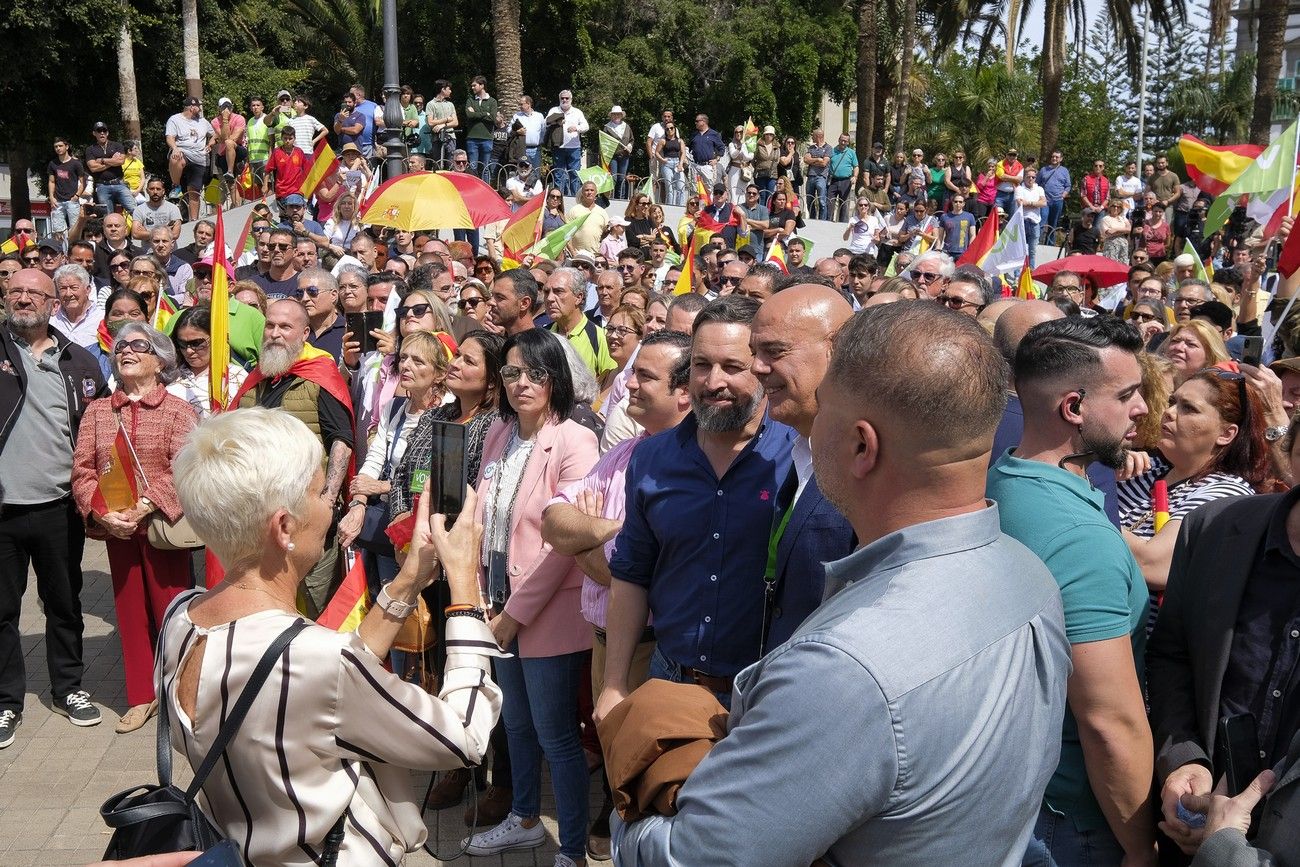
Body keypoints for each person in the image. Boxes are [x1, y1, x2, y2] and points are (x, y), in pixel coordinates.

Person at [607, 301, 1071, 865]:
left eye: (823, 410)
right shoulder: (1032, 580)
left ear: (861, 446)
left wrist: (629, 818)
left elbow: (699, 857)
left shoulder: (837, 669)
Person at [157, 406, 501, 866]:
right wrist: (464, 588)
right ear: (284, 527)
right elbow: (463, 738)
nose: (334, 502)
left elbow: (322, 691)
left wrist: (407, 582)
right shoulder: (315, 659)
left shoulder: (180, 618)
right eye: (322, 491)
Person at [987, 316, 1157, 865]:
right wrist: (1139, 847)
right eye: (1128, 395)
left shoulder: (993, 485)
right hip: (1071, 823)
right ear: (1075, 408)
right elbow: (1109, 720)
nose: (1144, 410)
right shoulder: (1081, 540)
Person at [597, 295, 797, 719]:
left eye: (733, 367)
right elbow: (632, 572)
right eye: (702, 365)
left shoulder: (797, 456)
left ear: (761, 367)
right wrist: (614, 684)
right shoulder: (653, 459)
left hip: (768, 697)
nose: (713, 381)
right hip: (670, 682)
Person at [540, 329, 693, 858]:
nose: (626, 382)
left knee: (647, 769)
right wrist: (606, 533)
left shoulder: (694, 465)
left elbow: (632, 577)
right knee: (613, 752)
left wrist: (592, 545)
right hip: (604, 635)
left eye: (643, 375)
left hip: (651, 644)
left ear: (685, 393)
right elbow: (555, 520)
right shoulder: (625, 451)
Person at [462, 330, 599, 866]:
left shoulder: (574, 441)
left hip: (544, 613)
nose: (522, 384)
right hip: (495, 603)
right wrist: (476, 595)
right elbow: (480, 513)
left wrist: (514, 616)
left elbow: (565, 544)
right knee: (513, 723)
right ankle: (522, 819)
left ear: (556, 379)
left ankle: (570, 849)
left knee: (556, 735)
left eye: (535, 374)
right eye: (513, 372)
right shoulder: (499, 432)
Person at [1147, 415, 1300, 862]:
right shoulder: (1214, 528)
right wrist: (1183, 757)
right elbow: (1172, 653)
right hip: (1191, 823)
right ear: (1289, 456)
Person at [0, 269, 110, 748]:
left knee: (64, 605)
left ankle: (69, 688)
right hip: (3, 510)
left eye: (32, 293)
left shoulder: (78, 360)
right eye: (14, 291)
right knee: (2, 612)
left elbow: (102, 427)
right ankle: (7, 701)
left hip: (58, 508)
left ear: (52, 302)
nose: (22, 299)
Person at [71, 322, 198, 733]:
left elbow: (185, 466)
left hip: (161, 526)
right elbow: (83, 470)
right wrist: (101, 512)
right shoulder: (97, 411)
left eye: (137, 346)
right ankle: (142, 696)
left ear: (159, 360)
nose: (125, 350)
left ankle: (183, 692)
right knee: (128, 613)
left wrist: (143, 506)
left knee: (173, 611)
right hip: (117, 529)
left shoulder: (180, 410)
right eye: (120, 345)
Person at [747, 284, 856, 648]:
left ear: (838, 350)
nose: (756, 368)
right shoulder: (801, 449)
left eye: (774, 351)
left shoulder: (869, 468)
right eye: (754, 352)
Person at [234, 300, 355, 618]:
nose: (275, 334)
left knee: (313, 601)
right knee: (269, 599)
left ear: (304, 333)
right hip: (261, 514)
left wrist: (327, 501)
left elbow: (341, 440)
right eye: (270, 326)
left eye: (285, 327)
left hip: (307, 514)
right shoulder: (256, 380)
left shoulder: (320, 376)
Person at [1119, 368, 1268, 606]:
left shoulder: (1227, 493)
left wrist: (1091, 489)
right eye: (1172, 402)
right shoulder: (1142, 469)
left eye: (1188, 408)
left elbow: (1154, 565)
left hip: (1142, 639)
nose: (1168, 412)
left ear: (1226, 434)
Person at [165, 305, 248, 419]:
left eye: (197, 343)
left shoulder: (237, 377)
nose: (189, 351)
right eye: (183, 344)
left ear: (215, 338)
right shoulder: (168, 375)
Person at [165, 97, 214, 222]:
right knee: (176, 157)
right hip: (183, 152)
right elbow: (170, 137)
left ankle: (194, 220)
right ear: (192, 107)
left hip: (200, 157)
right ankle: (175, 185)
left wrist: (210, 143)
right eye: (199, 106)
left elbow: (214, 134)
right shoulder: (175, 119)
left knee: (194, 191)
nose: (200, 109)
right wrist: (175, 148)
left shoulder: (203, 121)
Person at [85, 122, 135, 215]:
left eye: (104, 130)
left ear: (107, 133)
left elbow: (121, 161)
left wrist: (102, 160)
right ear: (94, 133)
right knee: (108, 215)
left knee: (134, 210)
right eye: (99, 131)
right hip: (102, 186)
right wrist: (112, 161)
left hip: (119, 183)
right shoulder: (90, 149)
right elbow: (93, 168)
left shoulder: (117, 145)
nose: (102, 133)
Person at [1161, 320, 1231, 387]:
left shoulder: (1218, 394)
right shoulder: (1152, 382)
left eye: (1191, 344)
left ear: (1209, 356)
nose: (1178, 347)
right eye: (1175, 341)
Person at [547, 90, 590, 196]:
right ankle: (558, 198)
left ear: (571, 99)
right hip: (558, 146)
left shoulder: (577, 112)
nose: (564, 100)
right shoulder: (554, 110)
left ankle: (575, 197)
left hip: (574, 147)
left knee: (574, 174)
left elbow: (586, 126)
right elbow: (545, 123)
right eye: (562, 98)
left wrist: (577, 128)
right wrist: (556, 121)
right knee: (558, 174)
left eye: (567, 98)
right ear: (559, 99)